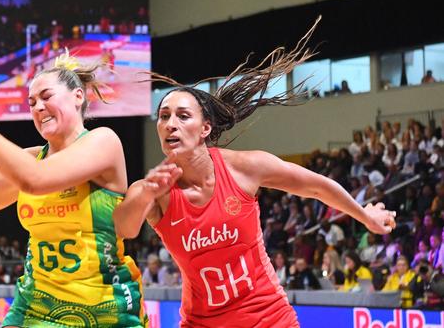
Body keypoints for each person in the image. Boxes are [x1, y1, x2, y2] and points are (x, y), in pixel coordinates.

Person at [113, 18, 396, 327]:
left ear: (205, 128)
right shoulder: (154, 190)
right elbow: (124, 228)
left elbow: (316, 187)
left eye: (182, 116)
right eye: (163, 116)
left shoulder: (243, 168)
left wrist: (365, 216)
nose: (170, 124)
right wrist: (147, 194)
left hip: (270, 318)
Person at [0, 52, 147, 327]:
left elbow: (35, 180)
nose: (38, 107)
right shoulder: (32, 160)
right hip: (35, 307)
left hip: (103, 309)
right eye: (31, 102)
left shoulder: (103, 142)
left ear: (78, 96)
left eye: (46, 96)